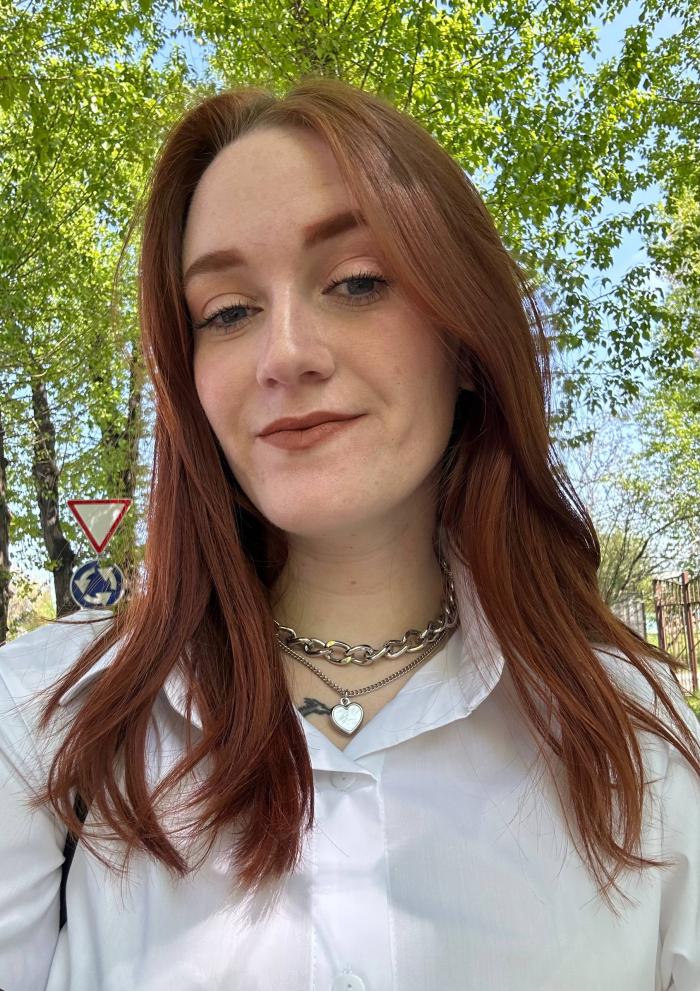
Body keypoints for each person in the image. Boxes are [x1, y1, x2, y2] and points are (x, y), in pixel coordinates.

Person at [1, 76, 698, 991]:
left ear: (465, 340)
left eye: (358, 281)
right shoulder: (45, 723)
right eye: (227, 312)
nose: (285, 353)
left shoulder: (641, 743)